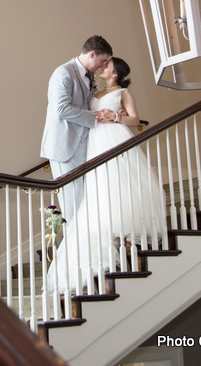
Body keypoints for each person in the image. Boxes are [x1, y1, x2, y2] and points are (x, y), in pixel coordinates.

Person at [46, 57, 167, 295]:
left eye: (107, 65)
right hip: (94, 141)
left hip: (114, 137)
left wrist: (115, 117)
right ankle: (109, 232)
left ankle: (126, 233)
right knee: (98, 186)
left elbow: (134, 119)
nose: (103, 67)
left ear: (116, 72)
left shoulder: (124, 92)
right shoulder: (95, 91)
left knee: (119, 182)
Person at [40, 35, 114, 220]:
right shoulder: (63, 73)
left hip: (83, 147)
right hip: (64, 146)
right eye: (102, 61)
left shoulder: (90, 77)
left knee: (84, 201)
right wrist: (96, 117)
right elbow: (61, 109)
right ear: (92, 54)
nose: (103, 66)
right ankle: (75, 247)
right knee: (72, 202)